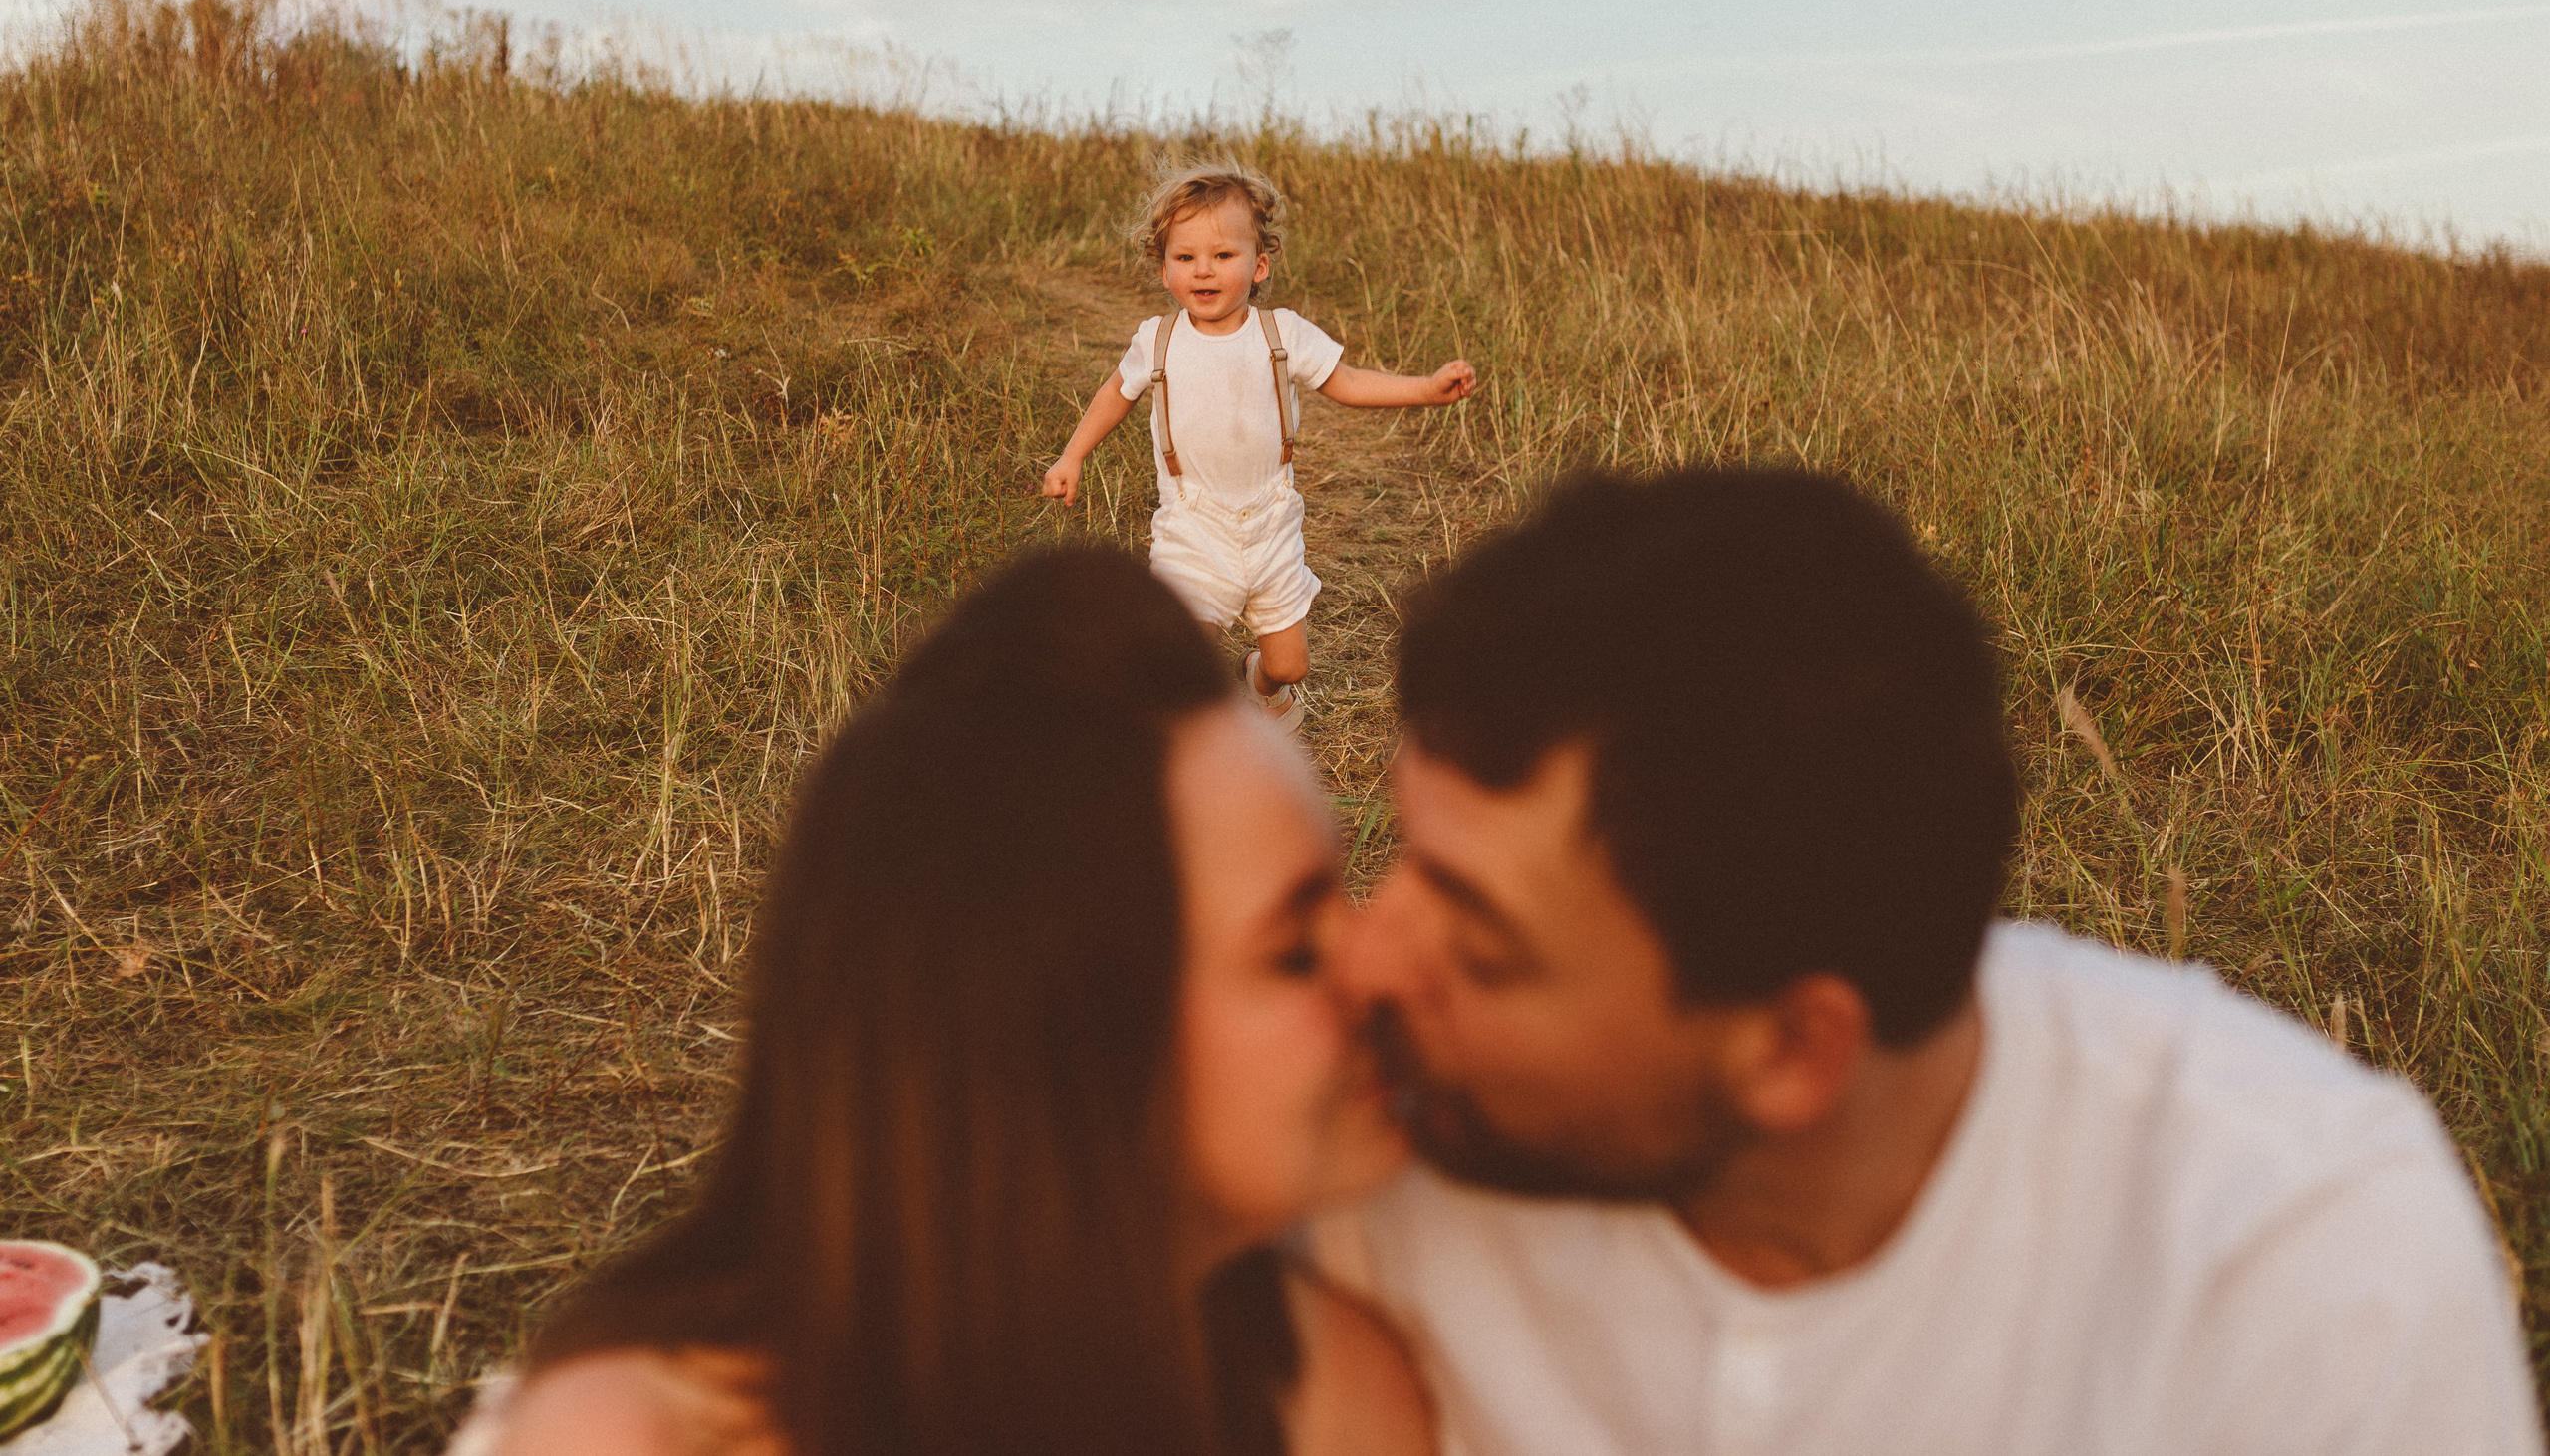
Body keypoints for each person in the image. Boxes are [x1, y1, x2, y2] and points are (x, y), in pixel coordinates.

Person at [1312, 468, 2542, 1456]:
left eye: (1477, 945)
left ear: (1793, 1052)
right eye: (1403, 860)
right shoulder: (1352, 1129)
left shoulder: (2298, 1265)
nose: (1365, 962)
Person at [464, 547, 1429, 1456]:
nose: (1379, 965)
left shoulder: (1331, 1401)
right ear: (1068, 1039)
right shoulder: (642, 1436)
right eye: (1293, 949)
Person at [1041, 162, 1475, 731]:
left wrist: (1426, 390)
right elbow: (1115, 395)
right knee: (1180, 661)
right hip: (1192, 525)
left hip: (1270, 520)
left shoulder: (1282, 334)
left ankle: (1258, 680)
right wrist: (1072, 456)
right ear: (1163, 267)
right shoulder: (1157, 340)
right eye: (1186, 257)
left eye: (1223, 256)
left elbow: (1345, 382)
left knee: (1289, 666)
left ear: (1259, 265)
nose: (1204, 270)